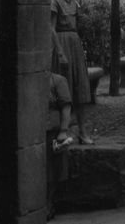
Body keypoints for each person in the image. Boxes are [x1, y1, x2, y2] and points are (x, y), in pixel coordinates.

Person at [51, 0, 94, 144]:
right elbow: (50, 28)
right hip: (61, 43)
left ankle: (83, 132)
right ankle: (64, 130)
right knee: (65, 87)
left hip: (75, 44)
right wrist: (60, 52)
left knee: (81, 87)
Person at [46, 71, 73, 220]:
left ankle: (49, 203)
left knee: (52, 170)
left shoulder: (58, 80)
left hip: (53, 130)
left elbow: (66, 107)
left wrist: (63, 130)